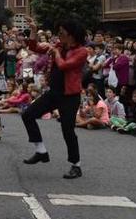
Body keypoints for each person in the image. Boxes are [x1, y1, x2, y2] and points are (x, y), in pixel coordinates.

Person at [21, 17, 88, 179]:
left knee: (67, 129)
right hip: (54, 92)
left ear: (71, 35)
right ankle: (41, 151)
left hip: (70, 96)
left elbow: (65, 65)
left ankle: (76, 165)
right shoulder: (59, 46)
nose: (59, 35)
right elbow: (34, 47)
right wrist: (33, 31)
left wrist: (56, 52)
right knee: (28, 114)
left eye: (62, 33)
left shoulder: (81, 51)